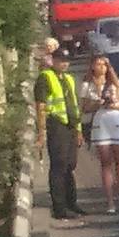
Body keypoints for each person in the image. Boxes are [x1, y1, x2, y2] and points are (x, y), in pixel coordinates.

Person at [33, 41, 85, 221]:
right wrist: (41, 133)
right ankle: (60, 208)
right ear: (53, 60)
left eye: (66, 60)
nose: (64, 63)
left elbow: (74, 106)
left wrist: (78, 130)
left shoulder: (69, 79)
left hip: (71, 126)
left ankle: (72, 203)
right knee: (59, 166)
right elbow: (40, 105)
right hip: (57, 126)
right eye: (60, 60)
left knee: (70, 166)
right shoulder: (45, 77)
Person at [80, 55, 119, 213]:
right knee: (105, 163)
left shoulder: (117, 84)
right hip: (100, 123)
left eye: (105, 65)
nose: (101, 67)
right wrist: (98, 103)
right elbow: (84, 108)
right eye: (98, 64)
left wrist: (113, 105)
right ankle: (109, 201)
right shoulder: (87, 85)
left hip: (116, 122)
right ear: (92, 67)